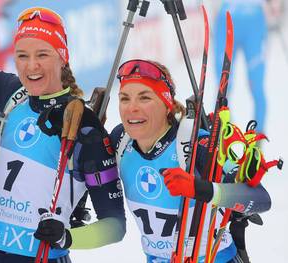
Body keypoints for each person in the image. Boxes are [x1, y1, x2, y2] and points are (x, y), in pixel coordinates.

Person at [0, 7, 126, 263]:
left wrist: (67, 237)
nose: (31, 66)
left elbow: (115, 225)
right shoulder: (13, 94)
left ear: (63, 57)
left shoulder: (84, 125)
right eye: (22, 55)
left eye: (43, 54)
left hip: (42, 257)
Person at [110, 59, 272, 262]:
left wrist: (200, 189)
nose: (131, 108)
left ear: (167, 104)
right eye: (124, 99)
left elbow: (261, 199)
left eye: (144, 98)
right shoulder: (120, 140)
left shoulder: (196, 143)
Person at [214, 0, 282, 133]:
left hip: (254, 21)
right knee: (223, 88)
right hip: (226, 17)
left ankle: (257, 142)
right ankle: (224, 136)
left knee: (256, 85)